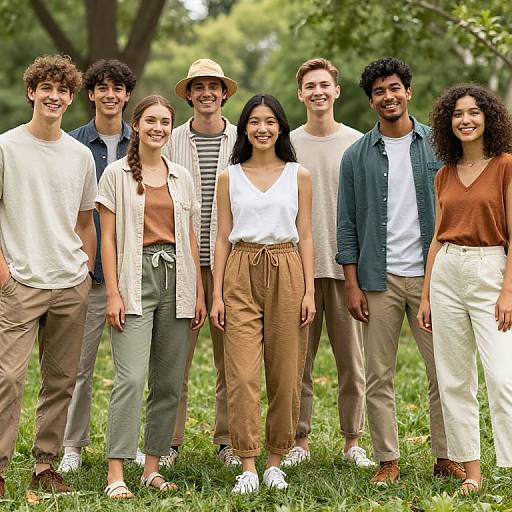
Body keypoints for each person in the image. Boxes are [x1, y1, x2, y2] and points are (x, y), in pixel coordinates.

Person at [337, 57, 465, 485]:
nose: (388, 96)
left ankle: (446, 455)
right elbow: (347, 225)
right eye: (378, 91)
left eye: (394, 88)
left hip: (434, 278)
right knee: (379, 374)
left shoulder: (440, 146)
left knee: (442, 371)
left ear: (407, 92)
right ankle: (387, 458)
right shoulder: (355, 155)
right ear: (371, 100)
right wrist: (352, 284)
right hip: (379, 279)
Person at [97, 95, 206, 499]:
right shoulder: (116, 174)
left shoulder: (181, 176)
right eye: (151, 121)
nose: (158, 128)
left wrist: (196, 291)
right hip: (133, 277)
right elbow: (107, 239)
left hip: (178, 278)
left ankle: (152, 467)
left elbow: (190, 235)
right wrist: (113, 292)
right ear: (136, 125)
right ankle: (116, 472)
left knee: (169, 382)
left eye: (165, 121)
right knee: (130, 378)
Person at [0, 55, 97, 496]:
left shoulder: (79, 156)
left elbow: (84, 222)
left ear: (71, 97)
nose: (54, 97)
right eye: (46, 89)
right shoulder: (6, 148)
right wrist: (3, 273)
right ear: (31, 93)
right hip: (19, 281)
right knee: (8, 379)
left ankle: (44, 465)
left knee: (60, 382)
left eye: (62, 90)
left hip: (69, 283)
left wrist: (84, 270)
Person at [211, 94, 315, 493]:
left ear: (281, 127)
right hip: (241, 267)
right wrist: (217, 293)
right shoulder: (229, 175)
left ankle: (276, 459)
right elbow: (221, 236)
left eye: (270, 121)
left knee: (287, 372)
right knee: (241, 374)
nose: (262, 128)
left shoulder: (298, 174)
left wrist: (308, 290)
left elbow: (305, 234)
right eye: (254, 121)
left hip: (288, 267)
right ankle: (248, 465)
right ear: (244, 128)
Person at [418, 84, 512, 494]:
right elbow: (438, 239)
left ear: (488, 117)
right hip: (447, 273)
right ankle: (472, 473)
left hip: (491, 268)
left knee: (503, 377)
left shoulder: (506, 165)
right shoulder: (444, 174)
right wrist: (425, 295)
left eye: (474, 112)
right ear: (447, 122)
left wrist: (508, 293)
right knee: (455, 379)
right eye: (457, 114)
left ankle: (508, 467)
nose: (466, 120)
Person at [283, 58, 371, 469]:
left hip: (345, 269)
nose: (317, 91)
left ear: (336, 91)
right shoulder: (287, 144)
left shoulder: (358, 142)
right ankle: (299, 439)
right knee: (299, 361)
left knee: (351, 363)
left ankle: (353, 441)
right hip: (297, 269)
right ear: (300, 94)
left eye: (324, 85)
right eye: (309, 86)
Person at [59, 58, 136, 473]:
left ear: (127, 95)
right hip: (86, 275)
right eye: (102, 88)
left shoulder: (142, 143)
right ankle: (73, 444)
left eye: (118, 88)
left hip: (133, 273)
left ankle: (131, 445)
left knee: (133, 369)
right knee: (78, 366)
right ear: (90, 94)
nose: (110, 95)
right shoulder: (72, 144)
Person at [163, 58, 239, 466]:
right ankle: (169, 444)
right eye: (198, 87)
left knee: (231, 357)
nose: (207, 93)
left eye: (214, 86)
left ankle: (227, 440)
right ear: (189, 94)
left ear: (224, 93)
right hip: (182, 261)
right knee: (176, 357)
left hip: (232, 262)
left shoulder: (245, 139)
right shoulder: (170, 139)